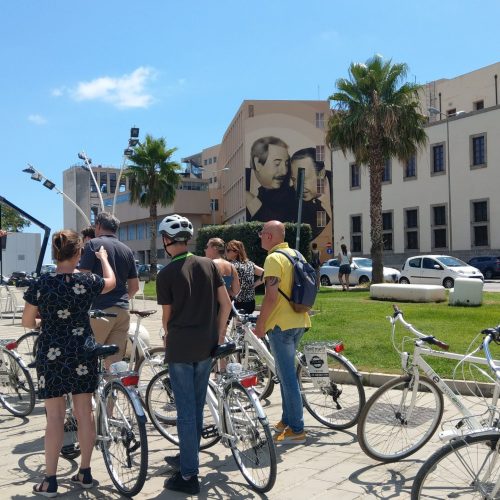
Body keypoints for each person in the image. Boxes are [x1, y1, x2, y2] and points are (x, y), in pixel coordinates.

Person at [22, 230, 116, 497]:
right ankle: (85, 473)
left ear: (55, 253)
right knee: (84, 412)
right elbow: (111, 281)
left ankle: (50, 481)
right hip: (82, 351)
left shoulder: (42, 283)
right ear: (78, 254)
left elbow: (27, 322)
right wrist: (103, 258)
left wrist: (45, 321)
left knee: (54, 417)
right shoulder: (88, 280)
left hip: (51, 353)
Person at [157, 214, 231, 494]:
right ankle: (189, 457)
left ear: (166, 240)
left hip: (180, 347)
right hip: (207, 346)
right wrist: (219, 334)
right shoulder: (209, 265)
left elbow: (166, 318)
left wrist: (167, 335)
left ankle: (189, 475)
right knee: (197, 408)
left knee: (186, 412)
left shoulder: (165, 275)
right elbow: (225, 304)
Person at [254, 220, 311, 445]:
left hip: (280, 325)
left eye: (261, 233)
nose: (259, 236)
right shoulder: (296, 254)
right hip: (299, 319)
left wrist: (260, 324)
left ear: (269, 236)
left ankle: (297, 428)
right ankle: (287, 420)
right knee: (284, 372)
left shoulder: (273, 259)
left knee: (287, 378)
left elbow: (271, 297)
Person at [79, 212, 139, 367]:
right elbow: (134, 287)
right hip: (122, 311)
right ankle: (113, 390)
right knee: (113, 363)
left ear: (98, 226)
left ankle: (88, 391)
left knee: (86, 358)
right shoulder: (127, 250)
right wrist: (121, 299)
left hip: (100, 310)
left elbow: (82, 280)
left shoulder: (92, 245)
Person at [246, 136, 297, 222]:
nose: (284, 171)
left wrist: (252, 201)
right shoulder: (242, 181)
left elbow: (279, 225)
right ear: (258, 163)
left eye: (286, 164)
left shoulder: (291, 192)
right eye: (277, 164)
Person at [290, 148, 331, 239]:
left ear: (321, 173)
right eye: (294, 180)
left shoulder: (340, 184)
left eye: (303, 178)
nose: (298, 186)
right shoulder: (293, 202)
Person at [225, 239, 264, 314]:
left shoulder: (231, 266)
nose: (226, 252)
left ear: (236, 252)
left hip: (236, 302)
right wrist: (254, 285)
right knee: (246, 324)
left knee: (236, 325)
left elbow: (226, 285)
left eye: (228, 250)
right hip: (250, 302)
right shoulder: (250, 264)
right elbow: (266, 274)